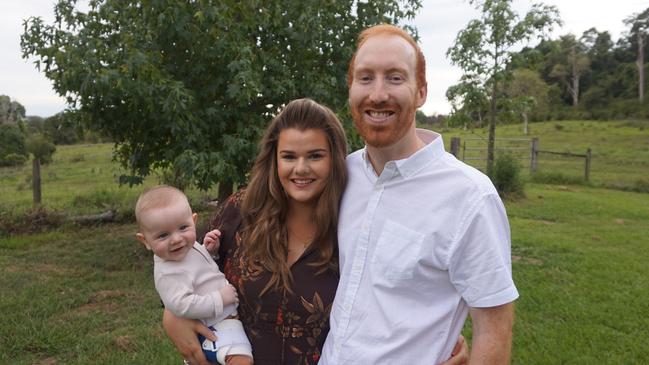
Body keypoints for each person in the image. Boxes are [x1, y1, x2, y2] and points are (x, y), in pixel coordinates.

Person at [319, 24, 520, 364]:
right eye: (365, 78)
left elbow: (494, 330)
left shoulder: (469, 197)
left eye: (395, 78)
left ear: (421, 91)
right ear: (350, 88)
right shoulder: (342, 174)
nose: (378, 94)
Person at [135, 185, 253, 365]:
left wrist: (210, 252)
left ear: (194, 221)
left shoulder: (187, 249)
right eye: (163, 235)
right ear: (145, 241)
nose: (176, 239)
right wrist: (219, 299)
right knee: (242, 361)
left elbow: (200, 274)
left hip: (222, 322)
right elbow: (181, 305)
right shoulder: (168, 272)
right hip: (214, 327)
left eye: (183, 228)